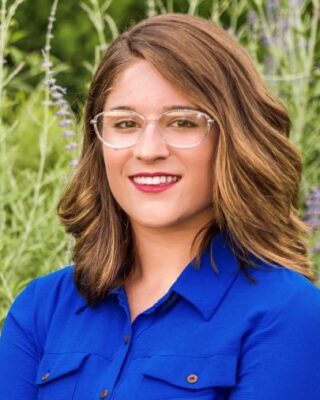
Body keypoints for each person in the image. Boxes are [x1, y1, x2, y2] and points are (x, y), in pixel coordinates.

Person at [0, 12, 320, 400]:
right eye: (125, 124)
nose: (149, 150)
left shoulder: (288, 315)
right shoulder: (40, 310)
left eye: (183, 123)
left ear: (235, 139)